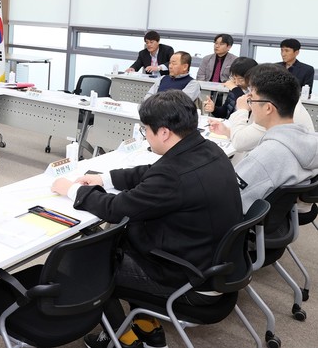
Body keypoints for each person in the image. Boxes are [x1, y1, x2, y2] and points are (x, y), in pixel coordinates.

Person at [52, 90, 242, 348]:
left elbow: (116, 208)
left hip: (189, 280)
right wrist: (104, 179)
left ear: (163, 132)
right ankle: (148, 328)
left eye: (146, 130)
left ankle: (123, 338)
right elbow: (153, 172)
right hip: (211, 266)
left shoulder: (173, 176)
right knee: (120, 239)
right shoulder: (207, 149)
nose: (145, 136)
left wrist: (72, 190)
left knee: (86, 263)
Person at [231, 66, 318, 210]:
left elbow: (229, 198)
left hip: (243, 219)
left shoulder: (263, 157)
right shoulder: (309, 142)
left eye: (251, 99)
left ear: (268, 108)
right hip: (286, 215)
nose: (250, 104)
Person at [208, 64, 315, 165]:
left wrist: (242, 110)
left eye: (252, 91)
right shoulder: (287, 101)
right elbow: (252, 136)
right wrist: (227, 131)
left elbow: (239, 143)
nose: (249, 96)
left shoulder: (276, 112)